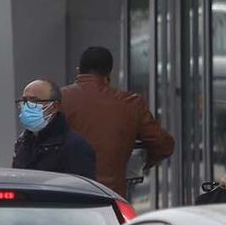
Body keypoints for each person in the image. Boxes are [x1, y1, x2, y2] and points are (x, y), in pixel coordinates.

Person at [60, 46, 174, 196]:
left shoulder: (59, 99)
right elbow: (163, 144)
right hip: (110, 194)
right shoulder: (131, 103)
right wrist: (139, 163)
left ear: (78, 71)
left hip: (66, 194)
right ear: (109, 74)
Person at [12, 79, 97, 180]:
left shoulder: (75, 146)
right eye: (25, 101)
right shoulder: (23, 141)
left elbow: (82, 187)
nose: (27, 107)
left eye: (34, 101)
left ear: (55, 106)